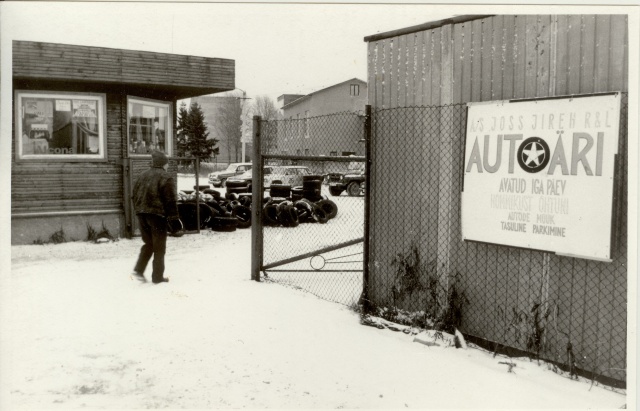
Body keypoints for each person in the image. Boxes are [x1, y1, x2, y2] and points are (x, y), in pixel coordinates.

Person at [131, 150, 180, 284]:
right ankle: (157, 277)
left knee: (149, 244)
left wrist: (139, 209)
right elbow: (170, 201)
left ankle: (139, 270)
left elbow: (134, 195)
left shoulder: (142, 175)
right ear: (164, 163)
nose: (168, 165)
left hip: (141, 214)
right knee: (159, 247)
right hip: (157, 216)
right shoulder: (166, 177)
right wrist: (174, 220)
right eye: (167, 163)